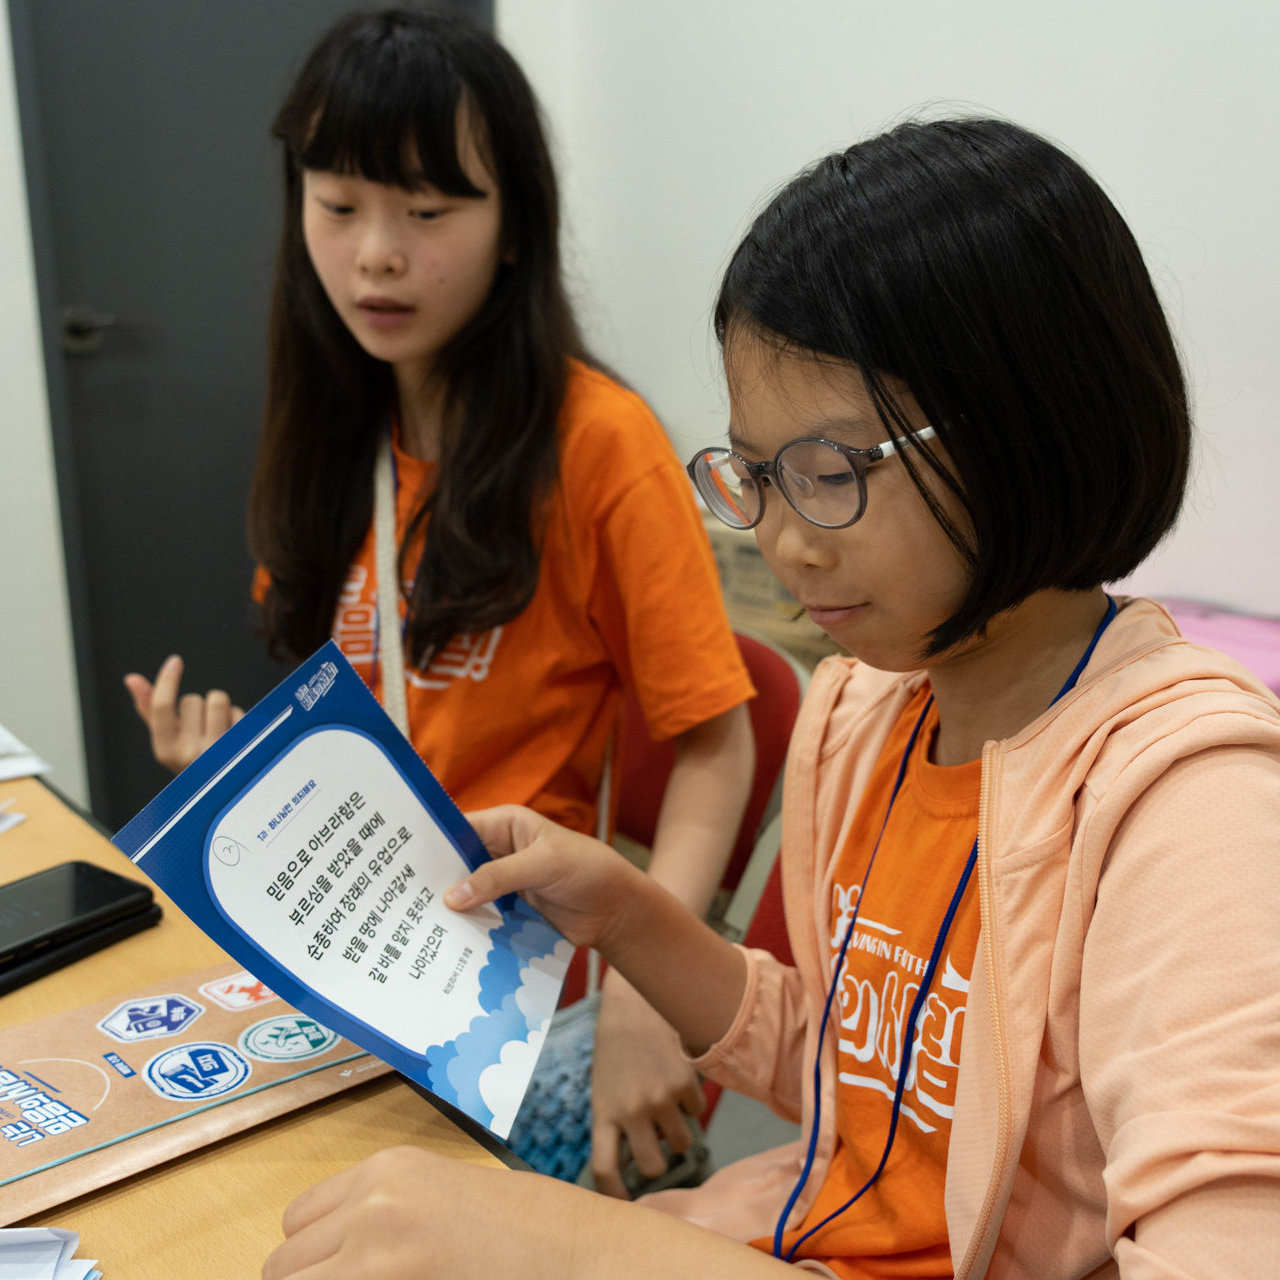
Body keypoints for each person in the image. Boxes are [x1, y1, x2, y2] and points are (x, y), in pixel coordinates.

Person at [262, 118, 1280, 1279]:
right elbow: (855, 1072)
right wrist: (627, 915)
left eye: (828, 474)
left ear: (1029, 430)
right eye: (756, 475)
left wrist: (580, 1248)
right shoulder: (870, 714)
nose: (782, 540)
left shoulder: (1203, 809)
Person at [120, 9, 756, 1192]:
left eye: (426, 211)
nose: (376, 255)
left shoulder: (599, 445)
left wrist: (650, 988)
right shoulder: (331, 431)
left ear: (515, 225)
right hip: (362, 953)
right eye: (339, 203)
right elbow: (362, 729)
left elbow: (718, 743)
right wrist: (232, 780)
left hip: (518, 978)